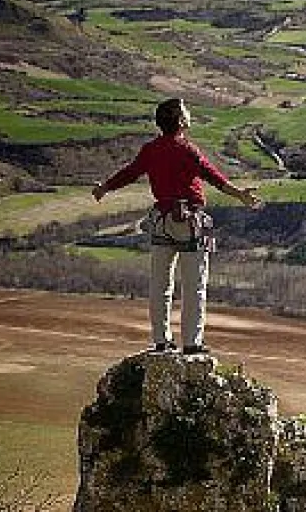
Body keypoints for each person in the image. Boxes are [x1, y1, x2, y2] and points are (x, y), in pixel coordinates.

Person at [92, 98, 262, 355]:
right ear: (181, 121)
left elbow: (130, 172)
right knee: (194, 285)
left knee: (160, 285)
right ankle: (192, 343)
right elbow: (214, 177)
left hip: (161, 221)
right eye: (186, 112)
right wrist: (241, 195)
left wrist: (105, 187)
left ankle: (162, 340)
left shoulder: (151, 150)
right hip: (190, 222)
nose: (189, 114)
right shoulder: (187, 150)